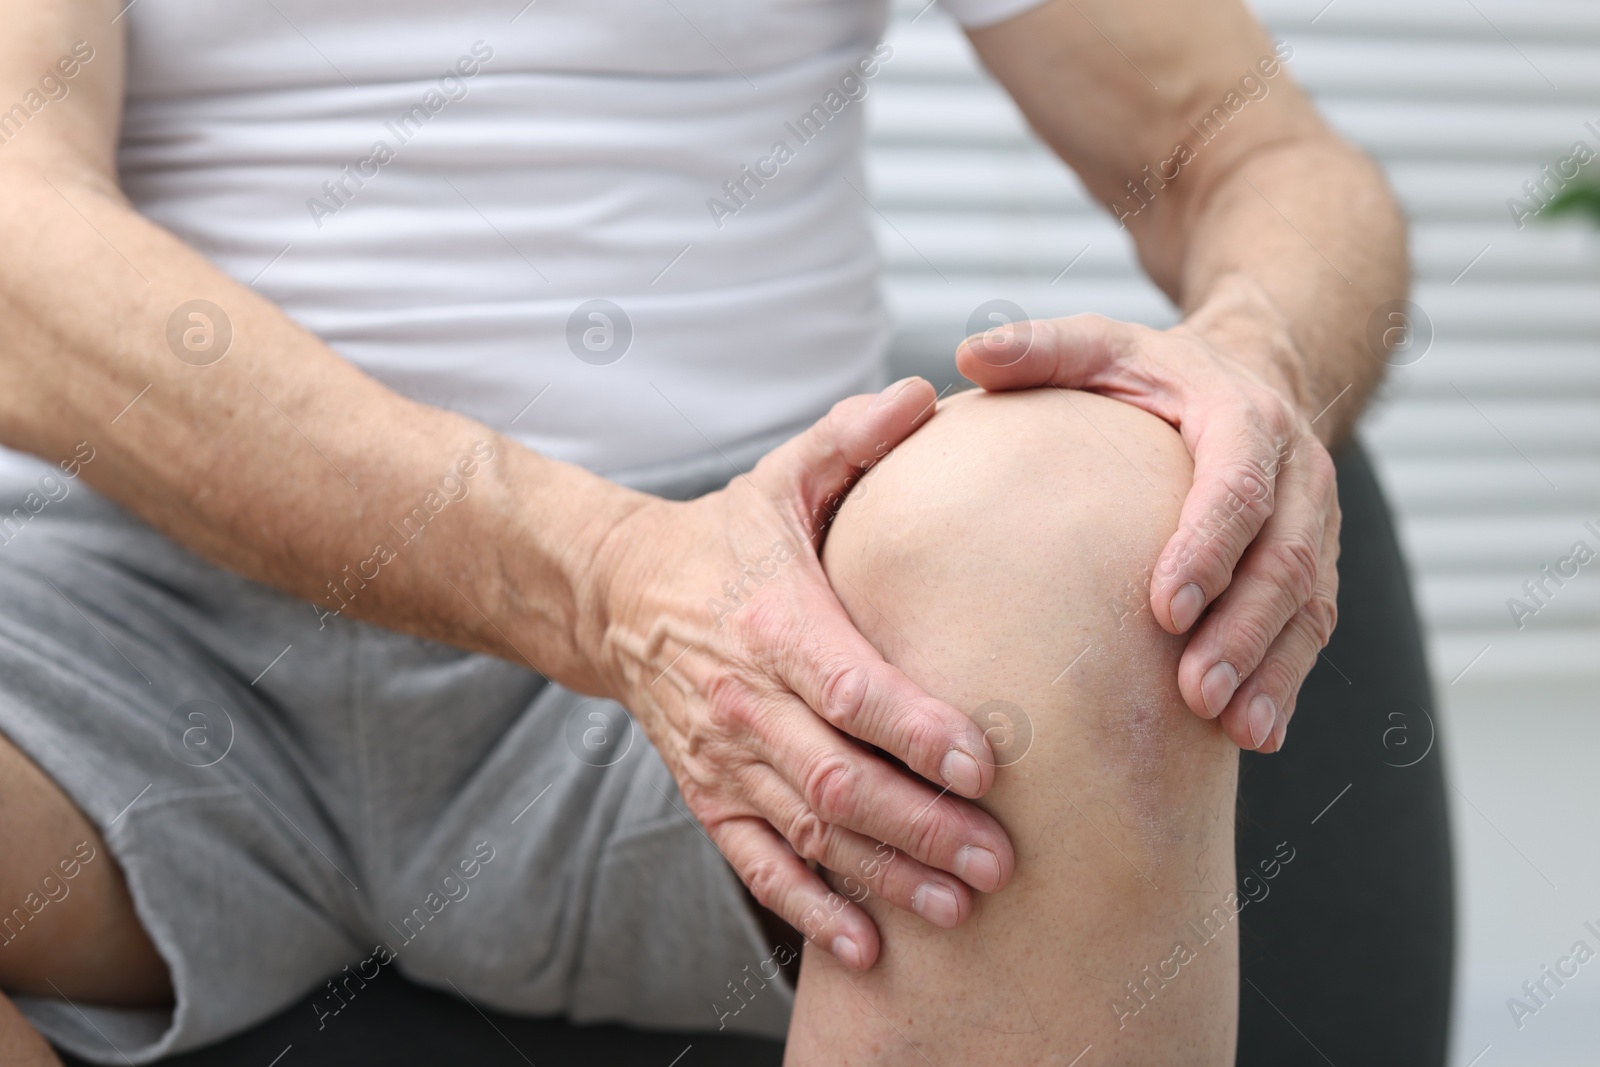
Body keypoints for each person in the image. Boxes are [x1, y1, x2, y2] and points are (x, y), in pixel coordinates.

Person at [0, 0, 1449, 1065]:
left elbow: (1260, 158)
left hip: (759, 588)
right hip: (137, 636)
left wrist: (1258, 366)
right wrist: (604, 581)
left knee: (1063, 535)